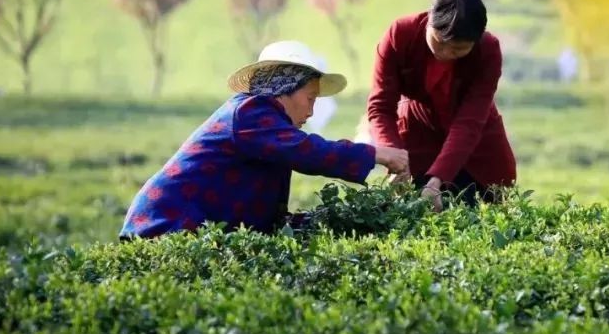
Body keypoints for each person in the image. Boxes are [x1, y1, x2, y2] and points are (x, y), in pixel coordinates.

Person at [120, 40, 408, 239]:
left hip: (188, 226)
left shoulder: (270, 131)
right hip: (166, 225)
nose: (311, 110)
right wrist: (376, 154)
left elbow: (266, 215)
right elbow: (309, 152)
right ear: (285, 88)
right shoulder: (250, 112)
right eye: (310, 99)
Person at [366, 0, 517, 211]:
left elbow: (469, 122)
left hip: (476, 147)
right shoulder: (400, 35)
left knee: (489, 217)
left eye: (457, 50)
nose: (445, 54)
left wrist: (438, 178)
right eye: (438, 42)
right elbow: (381, 107)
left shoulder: (488, 51)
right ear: (429, 21)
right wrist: (394, 158)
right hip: (419, 139)